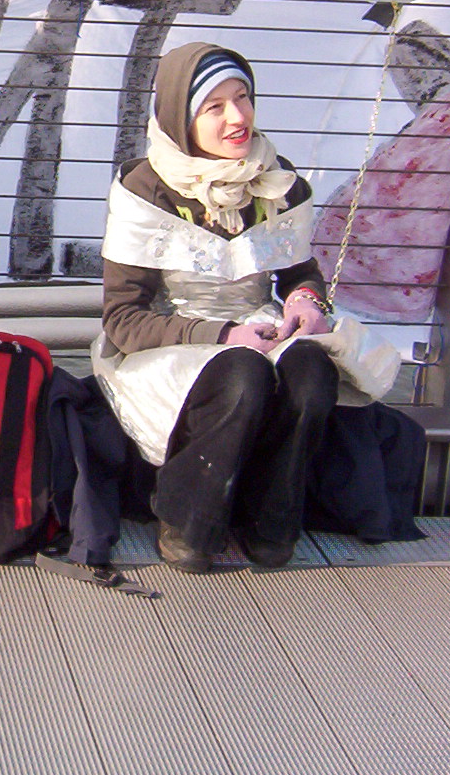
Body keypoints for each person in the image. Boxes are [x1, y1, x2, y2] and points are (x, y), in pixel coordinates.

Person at [93, 42, 340, 573]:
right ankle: (187, 524)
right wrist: (223, 335)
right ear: (181, 116)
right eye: (215, 106)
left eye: (244, 98)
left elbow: (300, 272)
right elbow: (122, 319)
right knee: (242, 374)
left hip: (255, 329)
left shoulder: (277, 178)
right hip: (170, 339)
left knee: (311, 368)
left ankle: (270, 525)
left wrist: (305, 300)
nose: (238, 117)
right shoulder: (145, 186)